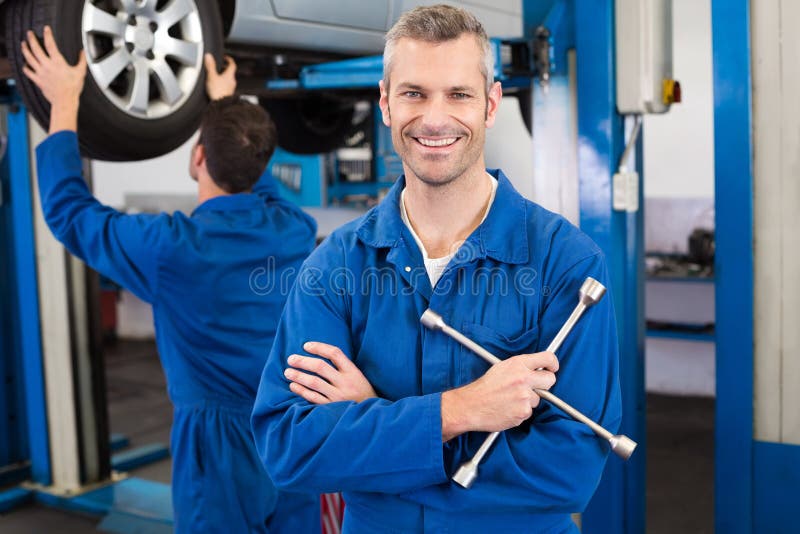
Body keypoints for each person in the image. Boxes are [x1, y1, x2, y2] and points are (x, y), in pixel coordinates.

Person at [251, 4, 622, 533]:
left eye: (459, 94)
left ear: (490, 104)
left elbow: (570, 472)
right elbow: (290, 447)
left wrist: (376, 421)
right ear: (384, 103)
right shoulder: (335, 266)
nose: (434, 118)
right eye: (413, 93)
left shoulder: (567, 263)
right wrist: (458, 412)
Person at [21, 27, 320, 533]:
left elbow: (69, 213)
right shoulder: (292, 229)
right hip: (292, 428)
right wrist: (227, 106)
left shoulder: (171, 250)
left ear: (198, 158)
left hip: (218, 446)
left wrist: (65, 100)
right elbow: (252, 176)